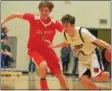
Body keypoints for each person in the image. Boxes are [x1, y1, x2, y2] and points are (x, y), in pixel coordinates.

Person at [1, 1, 68, 90]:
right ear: (39, 10)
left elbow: (67, 33)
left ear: (50, 11)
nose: (43, 13)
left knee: (59, 75)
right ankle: (44, 83)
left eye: (46, 10)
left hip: (49, 51)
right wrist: (2, 21)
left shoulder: (55, 23)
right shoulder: (33, 18)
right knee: (43, 65)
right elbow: (15, 14)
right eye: (41, 10)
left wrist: (73, 42)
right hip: (34, 50)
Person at [51, 14, 111, 89]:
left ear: (73, 25)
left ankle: (110, 75)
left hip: (92, 55)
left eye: (67, 26)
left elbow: (97, 41)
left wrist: (109, 46)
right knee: (83, 80)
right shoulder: (65, 34)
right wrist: (54, 46)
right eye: (63, 25)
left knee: (95, 77)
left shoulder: (82, 32)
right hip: (82, 58)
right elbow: (66, 42)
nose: (64, 28)